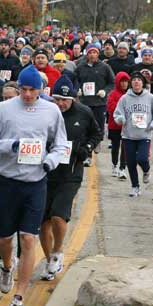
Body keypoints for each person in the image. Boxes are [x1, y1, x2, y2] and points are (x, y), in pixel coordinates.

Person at [0, 65, 68, 306]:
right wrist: (10, 146)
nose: (27, 94)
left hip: (35, 182)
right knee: (5, 240)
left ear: (41, 89)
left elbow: (60, 142)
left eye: (32, 90)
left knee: (28, 238)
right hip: (6, 182)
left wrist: (51, 160)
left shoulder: (51, 111)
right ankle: (7, 266)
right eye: (23, 89)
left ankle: (18, 298)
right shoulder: (4, 109)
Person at [39, 77, 102, 281]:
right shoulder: (46, 111)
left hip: (71, 172)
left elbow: (96, 134)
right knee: (44, 221)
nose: (61, 103)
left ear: (73, 98)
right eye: (57, 99)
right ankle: (50, 261)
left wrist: (87, 149)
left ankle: (58, 251)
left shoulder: (84, 112)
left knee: (58, 215)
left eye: (65, 99)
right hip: (46, 171)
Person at [113, 71, 153, 197]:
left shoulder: (150, 98)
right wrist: (120, 119)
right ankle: (135, 187)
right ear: (131, 83)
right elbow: (117, 113)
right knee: (130, 162)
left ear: (143, 83)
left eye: (139, 80)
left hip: (144, 135)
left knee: (142, 158)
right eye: (134, 80)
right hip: (128, 135)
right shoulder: (124, 98)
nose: (136, 82)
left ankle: (146, 171)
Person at [75, 44, 115, 145]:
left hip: (99, 102)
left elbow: (112, 82)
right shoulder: (80, 67)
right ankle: (85, 144)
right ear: (87, 54)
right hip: (85, 102)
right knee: (85, 124)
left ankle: (98, 142)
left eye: (95, 53)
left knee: (99, 124)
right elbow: (75, 80)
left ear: (98, 54)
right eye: (90, 53)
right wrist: (77, 89)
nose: (92, 55)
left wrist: (105, 91)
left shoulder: (105, 67)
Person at [106, 71, 130, 179]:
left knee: (125, 147)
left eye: (126, 81)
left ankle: (122, 168)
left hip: (127, 126)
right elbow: (111, 108)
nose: (124, 84)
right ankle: (115, 165)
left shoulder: (131, 94)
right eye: (122, 82)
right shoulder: (113, 94)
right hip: (115, 125)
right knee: (115, 146)